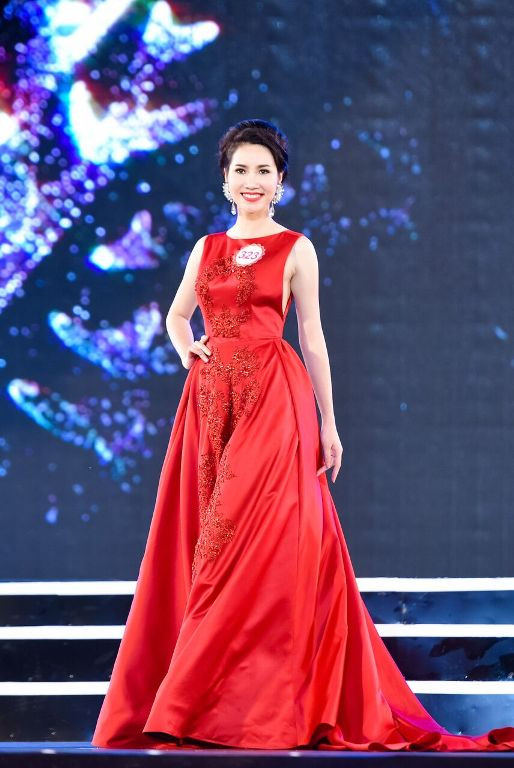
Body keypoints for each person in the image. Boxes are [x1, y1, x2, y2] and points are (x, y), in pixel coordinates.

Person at [91, 119, 514, 751]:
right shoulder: (206, 248)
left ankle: (224, 705)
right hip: (209, 403)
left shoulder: (296, 248)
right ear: (225, 181)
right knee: (204, 540)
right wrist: (188, 350)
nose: (252, 181)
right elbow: (177, 315)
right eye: (241, 170)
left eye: (263, 171)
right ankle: (209, 702)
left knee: (242, 538)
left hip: (273, 395)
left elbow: (312, 337)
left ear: (280, 181)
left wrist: (330, 423)